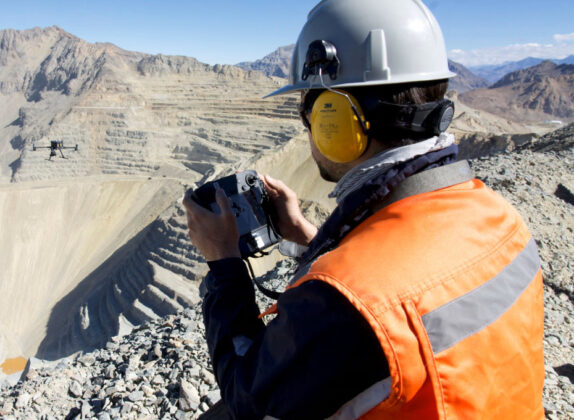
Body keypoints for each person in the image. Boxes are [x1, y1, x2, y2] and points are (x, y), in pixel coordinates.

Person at [182, 0, 545, 418]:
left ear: (337, 115)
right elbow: (405, 271)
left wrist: (224, 265)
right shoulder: (501, 219)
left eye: (310, 111)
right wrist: (305, 235)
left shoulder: (346, 302)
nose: (308, 128)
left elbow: (249, 395)